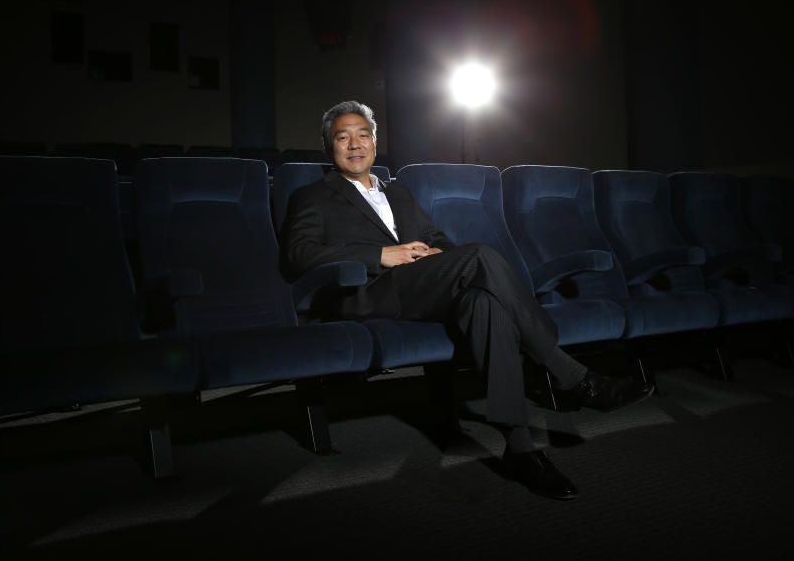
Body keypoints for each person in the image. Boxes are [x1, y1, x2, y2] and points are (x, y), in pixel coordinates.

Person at [280, 100, 654, 500]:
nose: (355, 144)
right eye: (343, 137)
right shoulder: (313, 196)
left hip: (421, 287)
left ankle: (521, 449)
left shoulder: (400, 194)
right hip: (369, 291)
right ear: (328, 147)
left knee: (485, 303)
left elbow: (438, 239)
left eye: (363, 135)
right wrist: (379, 256)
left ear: (374, 143)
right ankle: (573, 376)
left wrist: (440, 255)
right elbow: (298, 255)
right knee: (479, 256)